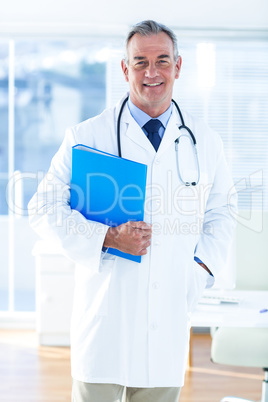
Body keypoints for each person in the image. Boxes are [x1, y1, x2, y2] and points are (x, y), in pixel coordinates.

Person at [28, 20, 237, 402]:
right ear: (125, 69)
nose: (152, 72)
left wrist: (199, 270)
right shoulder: (88, 136)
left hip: (168, 317)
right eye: (140, 62)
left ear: (178, 65)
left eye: (162, 60)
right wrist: (106, 238)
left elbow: (222, 213)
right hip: (105, 317)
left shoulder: (205, 141)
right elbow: (41, 206)